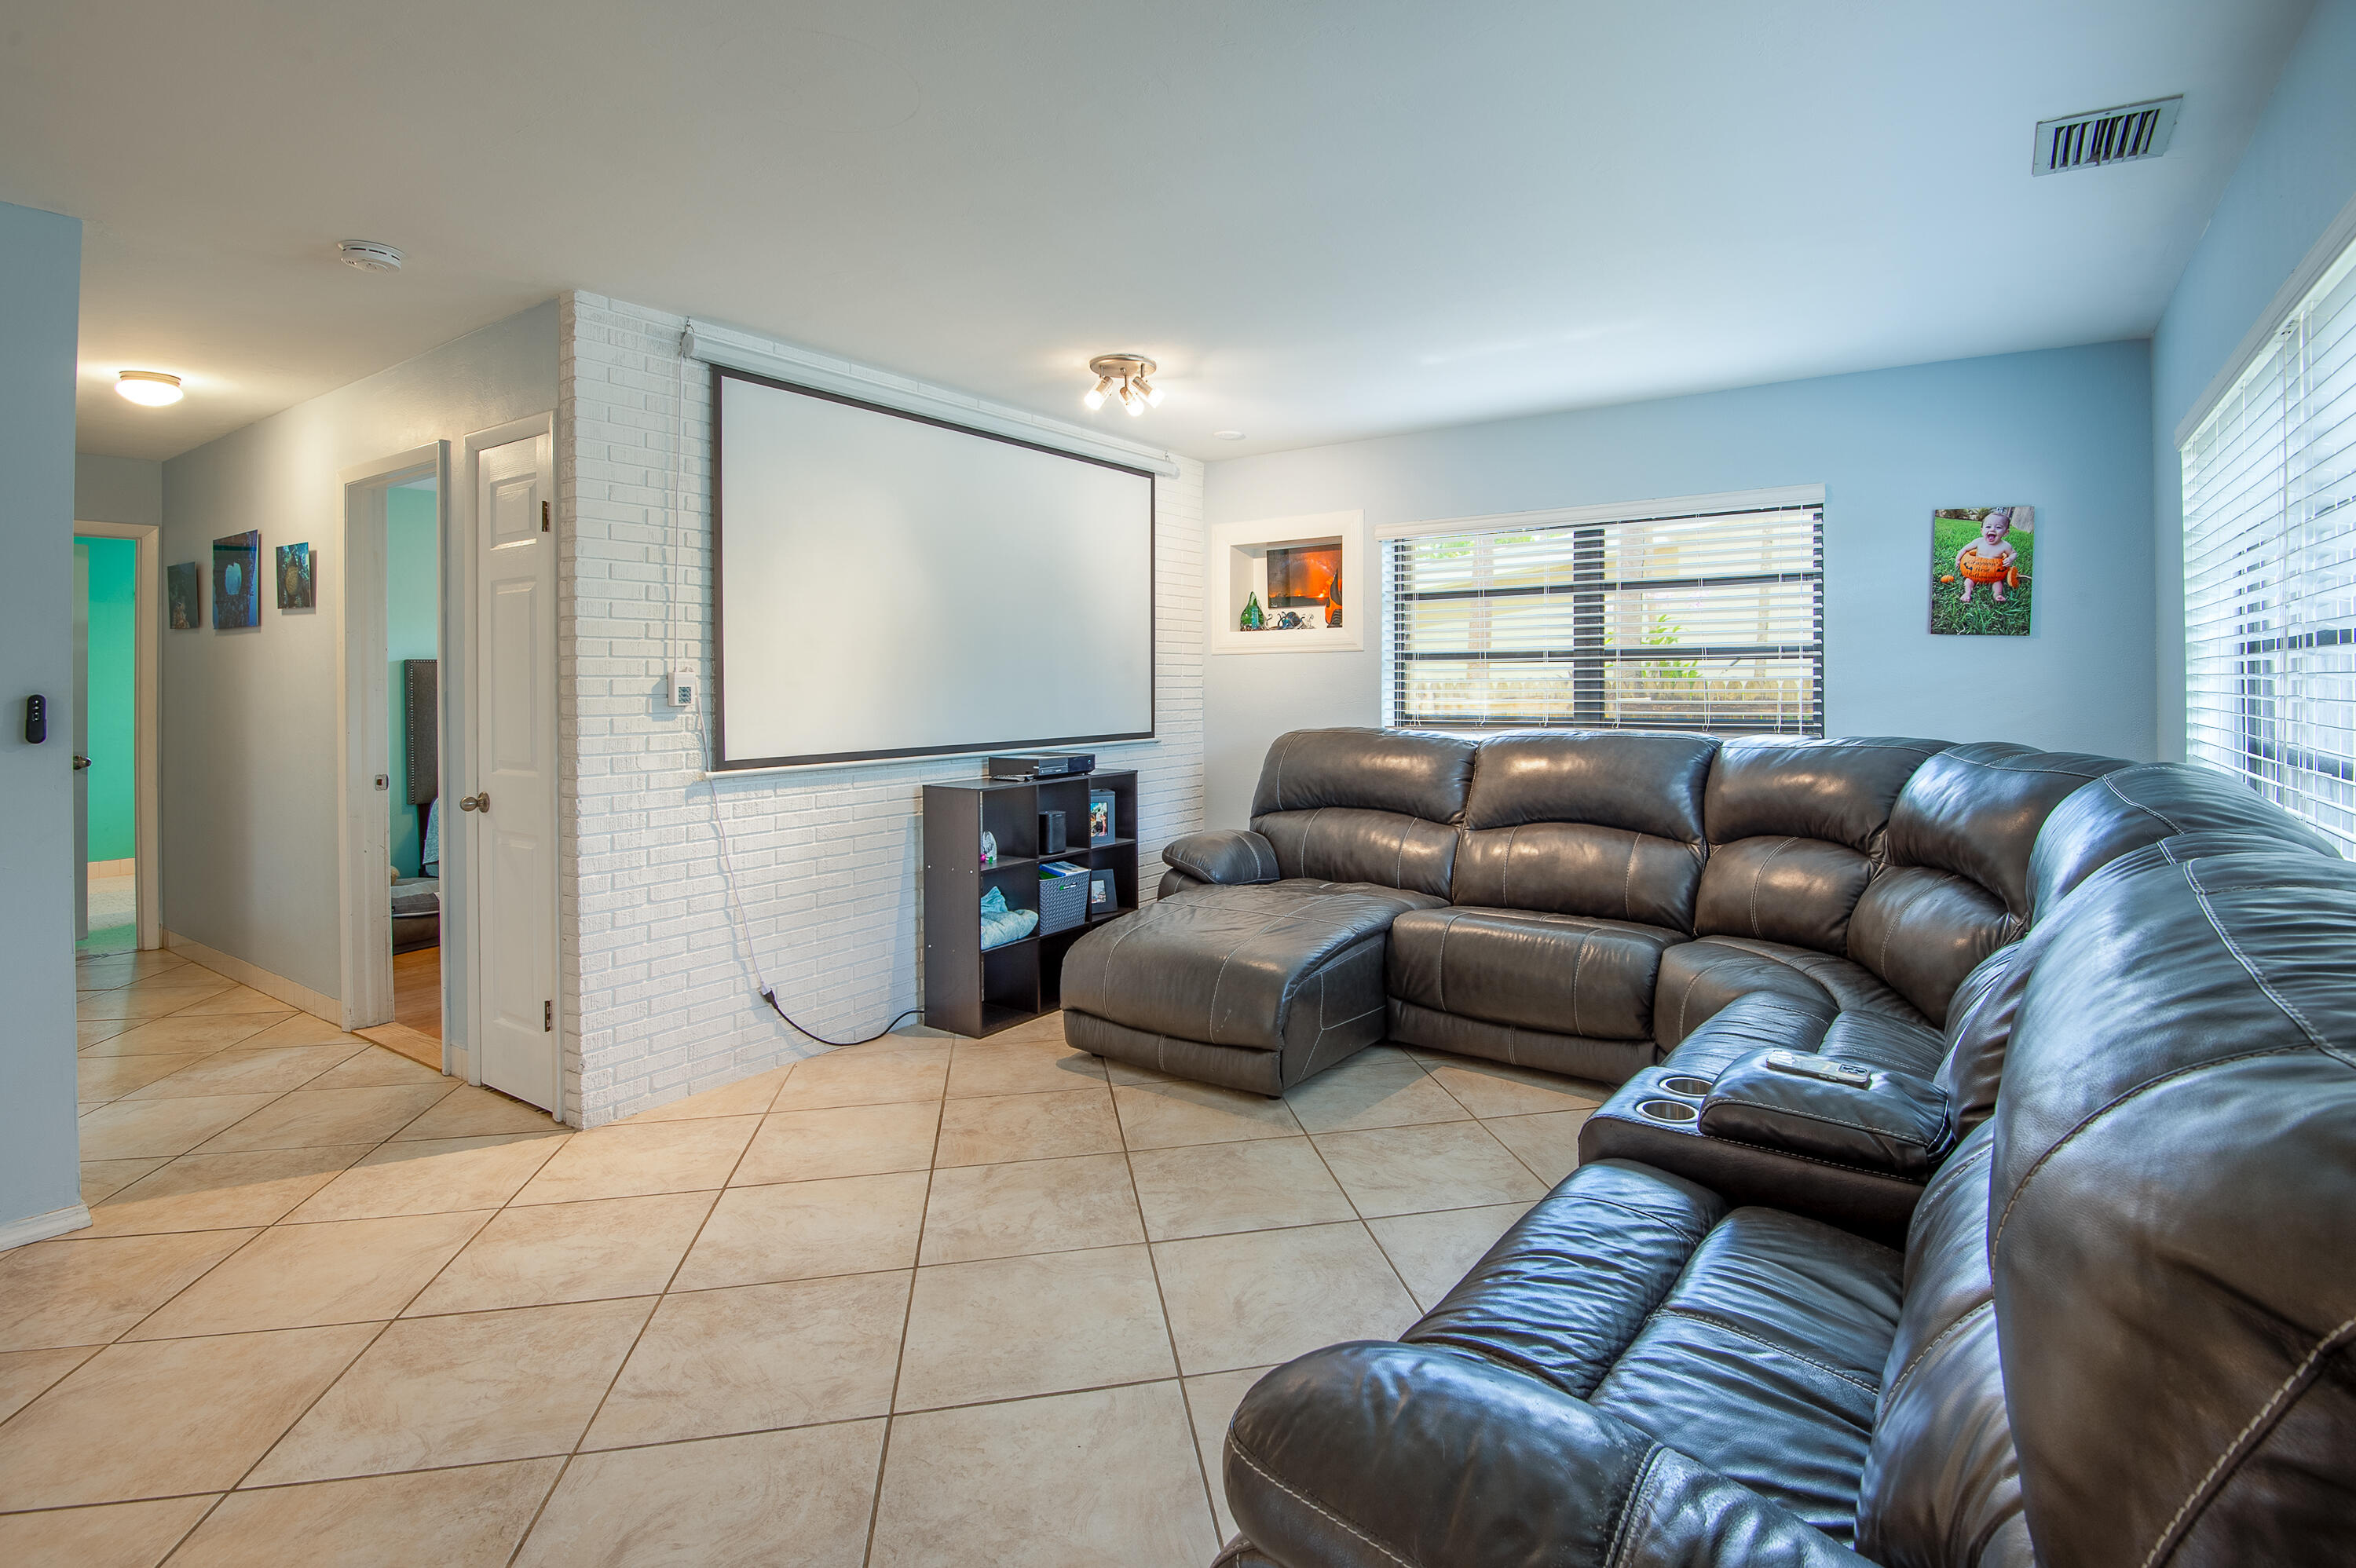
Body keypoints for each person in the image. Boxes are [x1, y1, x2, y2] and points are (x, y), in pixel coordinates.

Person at [1955, 509, 2018, 602]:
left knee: (1998, 583)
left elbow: (2014, 553)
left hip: (1994, 575)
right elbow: (1965, 549)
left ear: (2006, 533)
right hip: (1974, 572)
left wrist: (2010, 559)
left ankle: (1997, 595)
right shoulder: (1979, 542)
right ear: (1982, 530)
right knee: (1968, 581)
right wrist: (1958, 559)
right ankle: (1967, 592)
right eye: (1988, 527)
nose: (1992, 529)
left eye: (1998, 527)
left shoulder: (2005, 546)